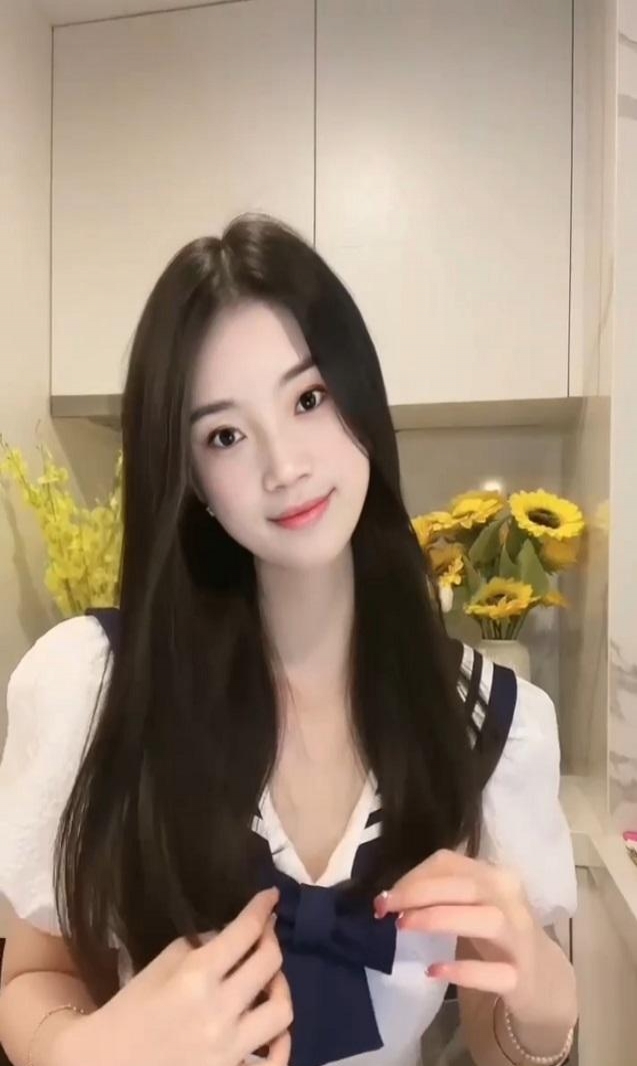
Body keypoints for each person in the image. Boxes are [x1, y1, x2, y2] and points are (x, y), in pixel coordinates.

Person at [0, 215, 577, 1066]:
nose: (284, 466)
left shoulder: (485, 723)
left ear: (358, 395)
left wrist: (547, 1010)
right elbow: (33, 975)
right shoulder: (95, 686)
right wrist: (83, 1052)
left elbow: (499, 1032)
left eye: (308, 399)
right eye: (225, 435)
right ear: (192, 479)